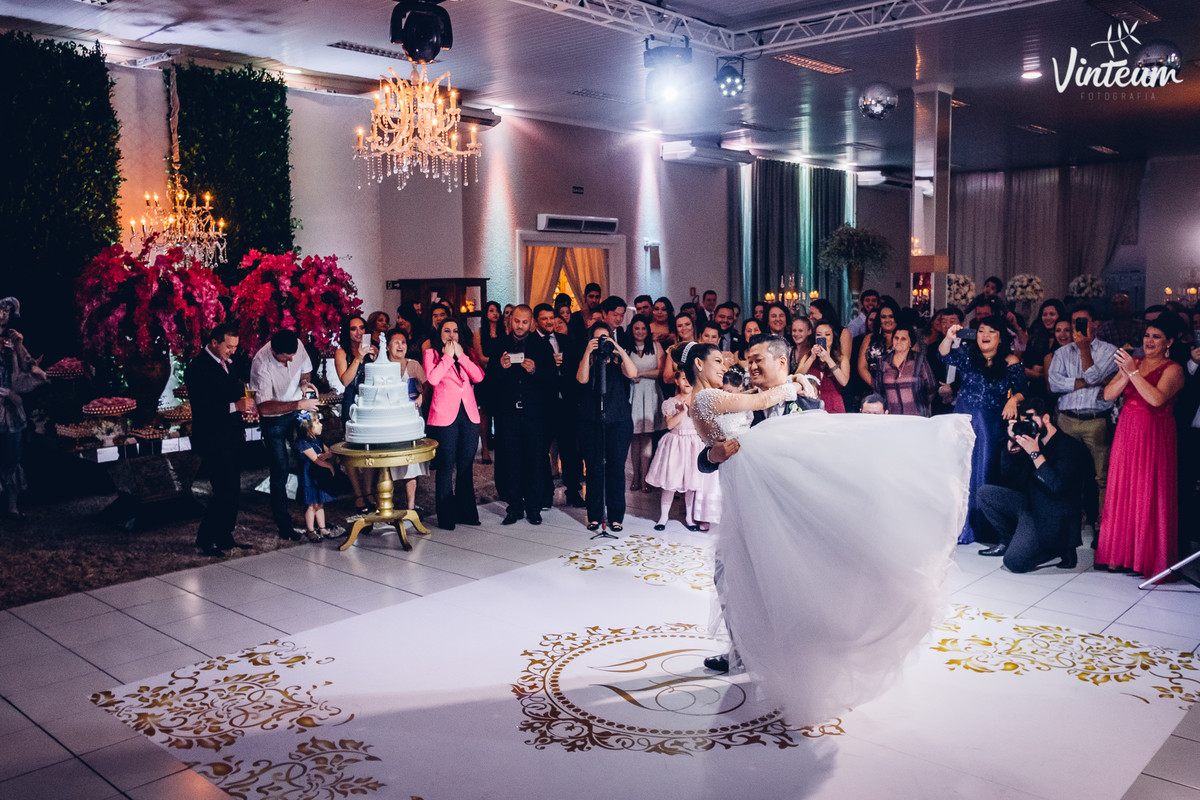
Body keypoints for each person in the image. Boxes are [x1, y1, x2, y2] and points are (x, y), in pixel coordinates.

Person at [688, 338, 973, 728]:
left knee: (792, 585)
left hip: (795, 514)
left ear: (781, 361)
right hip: (743, 509)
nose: (750, 367)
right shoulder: (744, 400)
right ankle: (741, 650)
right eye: (748, 361)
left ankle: (801, 660)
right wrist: (711, 456)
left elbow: (831, 452)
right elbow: (712, 449)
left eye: (757, 360)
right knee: (732, 576)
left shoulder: (806, 399)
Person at [1095, 316, 1185, 576]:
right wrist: (1127, 373)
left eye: (1157, 337)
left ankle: (1145, 558)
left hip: (1154, 435)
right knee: (1123, 488)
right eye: (1147, 336)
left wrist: (1133, 373)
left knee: (1148, 491)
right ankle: (1118, 556)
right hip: (1127, 431)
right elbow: (1108, 395)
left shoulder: (1174, 369)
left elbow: (1156, 399)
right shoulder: (1134, 363)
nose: (1149, 341)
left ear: (1169, 342)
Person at [976, 398, 1091, 571]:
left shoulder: (1069, 446)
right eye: (1023, 421)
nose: (1027, 425)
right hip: (1030, 506)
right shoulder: (1030, 439)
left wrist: (1035, 454)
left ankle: (1060, 547)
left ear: (1045, 418)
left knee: (1014, 563)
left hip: (1053, 515)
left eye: (1030, 419)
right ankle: (1008, 539)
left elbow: (1056, 486)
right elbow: (1008, 476)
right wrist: (1011, 445)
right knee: (986, 493)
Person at [940, 316, 1027, 543]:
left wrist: (1013, 400)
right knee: (959, 470)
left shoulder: (1011, 361)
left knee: (984, 470)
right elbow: (943, 354)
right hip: (963, 418)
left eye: (991, 331)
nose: (984, 335)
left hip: (990, 425)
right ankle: (959, 526)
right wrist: (949, 338)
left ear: (1000, 338)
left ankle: (984, 527)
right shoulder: (968, 356)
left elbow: (1022, 390)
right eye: (980, 331)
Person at [185, 323, 257, 556]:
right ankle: (205, 539)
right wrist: (236, 405)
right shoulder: (197, 368)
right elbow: (203, 408)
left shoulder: (229, 365)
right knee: (223, 489)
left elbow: (233, 395)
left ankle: (225, 535)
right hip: (212, 437)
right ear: (214, 342)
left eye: (235, 347)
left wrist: (242, 412)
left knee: (234, 489)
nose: (233, 351)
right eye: (229, 346)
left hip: (232, 435)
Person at [1047, 304, 1118, 536]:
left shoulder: (1109, 350)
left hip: (1096, 419)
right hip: (1066, 419)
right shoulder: (1061, 352)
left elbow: (1094, 375)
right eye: (1075, 321)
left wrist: (1085, 349)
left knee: (1101, 477)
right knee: (1067, 473)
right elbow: (1054, 384)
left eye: (1084, 321)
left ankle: (1102, 524)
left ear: (1095, 324)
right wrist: (1085, 382)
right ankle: (1071, 520)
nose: (1079, 326)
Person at [486, 305, 553, 525]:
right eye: (517, 321)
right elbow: (489, 383)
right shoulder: (499, 346)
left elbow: (553, 379)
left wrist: (535, 371)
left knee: (534, 459)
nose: (520, 326)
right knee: (510, 460)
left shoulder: (542, 346)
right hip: (508, 414)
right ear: (510, 321)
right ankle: (514, 506)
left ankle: (534, 507)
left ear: (532, 322)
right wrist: (500, 368)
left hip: (535, 413)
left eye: (525, 322)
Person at [250, 329, 318, 541]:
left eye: (293, 354)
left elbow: (305, 370)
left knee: (309, 459)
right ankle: (284, 524)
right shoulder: (260, 364)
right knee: (279, 469)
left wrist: (305, 384)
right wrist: (299, 403)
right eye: (285, 356)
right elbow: (264, 407)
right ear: (273, 350)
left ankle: (314, 516)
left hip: (298, 411)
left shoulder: (295, 345)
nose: (291, 360)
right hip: (274, 418)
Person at [575, 322, 638, 532]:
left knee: (615, 470)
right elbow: (581, 379)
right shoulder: (588, 360)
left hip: (618, 421)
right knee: (593, 468)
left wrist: (616, 347)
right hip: (590, 421)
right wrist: (588, 352)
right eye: (597, 338)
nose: (602, 342)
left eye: (605, 338)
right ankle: (593, 515)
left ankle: (616, 516)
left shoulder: (618, 360)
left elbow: (632, 372)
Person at [423, 316, 484, 530]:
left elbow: (478, 376)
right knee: (446, 466)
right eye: (447, 331)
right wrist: (448, 358)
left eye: (455, 331)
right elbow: (432, 379)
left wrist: (462, 357)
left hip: (468, 415)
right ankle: (446, 516)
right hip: (443, 418)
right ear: (440, 333)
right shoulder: (432, 354)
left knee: (466, 467)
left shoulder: (466, 354)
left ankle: (467, 513)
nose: (451, 335)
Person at [645, 367, 718, 531]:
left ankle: (690, 518)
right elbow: (670, 425)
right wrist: (682, 411)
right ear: (677, 381)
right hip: (676, 443)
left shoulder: (700, 400)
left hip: (694, 444)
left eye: (690, 379)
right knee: (670, 482)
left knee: (692, 483)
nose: (687, 382)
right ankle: (663, 517)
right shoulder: (671, 402)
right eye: (683, 378)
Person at [534, 303, 584, 508]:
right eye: (544, 318)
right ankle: (546, 493)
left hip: (567, 403)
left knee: (570, 450)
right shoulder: (532, 343)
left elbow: (575, 368)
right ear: (537, 320)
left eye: (551, 318)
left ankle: (573, 492)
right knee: (542, 450)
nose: (549, 322)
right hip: (544, 404)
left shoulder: (564, 339)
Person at [334, 315, 378, 512]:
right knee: (352, 450)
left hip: (371, 401)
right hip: (352, 401)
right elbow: (345, 380)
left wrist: (376, 358)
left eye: (361, 328)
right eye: (353, 329)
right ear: (347, 331)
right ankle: (358, 494)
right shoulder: (341, 352)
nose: (359, 332)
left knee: (370, 447)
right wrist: (359, 358)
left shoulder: (372, 348)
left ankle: (368, 491)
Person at [384, 328, 429, 516]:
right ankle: (388, 503)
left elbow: (427, 385)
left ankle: (411, 506)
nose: (400, 345)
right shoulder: (382, 366)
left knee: (411, 462)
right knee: (390, 461)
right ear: (387, 347)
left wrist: (421, 397)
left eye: (403, 342)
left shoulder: (414, 365)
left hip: (411, 418)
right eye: (396, 342)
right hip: (390, 420)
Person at [0, 297, 38, 519]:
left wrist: (19, 344)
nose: (3, 313)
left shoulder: (12, 340)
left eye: (6, 310)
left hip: (11, 407)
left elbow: (29, 367)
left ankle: (12, 507)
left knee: (12, 457)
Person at [624, 314, 665, 492]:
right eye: (636, 328)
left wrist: (640, 374)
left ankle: (645, 478)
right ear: (632, 330)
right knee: (634, 437)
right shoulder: (626, 348)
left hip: (651, 393)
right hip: (633, 394)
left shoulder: (656, 346)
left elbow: (661, 371)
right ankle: (635, 475)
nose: (640, 332)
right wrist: (631, 375)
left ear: (648, 331)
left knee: (647, 436)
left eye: (643, 328)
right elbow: (623, 370)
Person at [873, 325, 936, 416]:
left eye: (903, 339)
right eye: (896, 338)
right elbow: (878, 390)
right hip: (891, 416)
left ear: (910, 342)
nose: (899, 341)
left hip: (917, 417)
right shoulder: (883, 361)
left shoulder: (920, 360)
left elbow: (931, 388)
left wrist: (920, 407)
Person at [295, 411, 338, 542]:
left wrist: (328, 455)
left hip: (318, 478)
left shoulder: (318, 440)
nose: (321, 425)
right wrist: (329, 466)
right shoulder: (303, 444)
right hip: (309, 479)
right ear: (308, 427)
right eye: (318, 422)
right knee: (311, 505)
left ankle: (323, 528)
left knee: (320, 504)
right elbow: (316, 460)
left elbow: (328, 452)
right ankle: (311, 530)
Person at [473, 300, 504, 466]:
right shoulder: (479, 332)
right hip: (485, 377)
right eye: (491, 310)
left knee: (500, 413)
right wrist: (498, 361)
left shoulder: (505, 332)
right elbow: (480, 358)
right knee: (485, 414)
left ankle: (500, 446)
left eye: (497, 310)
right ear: (486, 313)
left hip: (501, 378)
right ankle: (485, 449)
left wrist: (497, 363)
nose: (495, 313)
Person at [795, 320, 849, 413]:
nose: (823, 338)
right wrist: (811, 358)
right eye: (819, 335)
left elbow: (844, 382)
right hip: (812, 405)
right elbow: (796, 377)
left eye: (827, 334)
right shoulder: (808, 356)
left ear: (833, 336)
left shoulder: (842, 358)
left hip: (834, 405)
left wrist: (828, 359)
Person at [1023, 299, 1066, 399]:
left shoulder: (1064, 338)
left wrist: (1038, 373)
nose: (1047, 318)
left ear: (1060, 315)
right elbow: (1025, 368)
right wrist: (1042, 374)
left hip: (1059, 394)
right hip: (1035, 392)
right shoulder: (1035, 337)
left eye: (1052, 314)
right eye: (1044, 314)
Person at [662, 313, 697, 387]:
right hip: (681, 393)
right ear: (676, 329)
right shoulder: (672, 350)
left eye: (687, 324)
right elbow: (666, 378)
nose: (684, 328)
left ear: (693, 326)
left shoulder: (702, 347)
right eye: (680, 326)